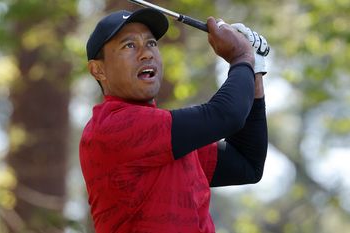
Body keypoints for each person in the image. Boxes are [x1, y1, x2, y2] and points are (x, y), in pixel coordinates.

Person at [80, 8, 268, 233]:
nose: (146, 53)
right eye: (129, 45)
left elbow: (247, 165)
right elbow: (225, 114)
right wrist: (241, 58)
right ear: (98, 70)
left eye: (151, 44)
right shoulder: (111, 127)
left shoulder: (166, 137)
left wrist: (254, 69)